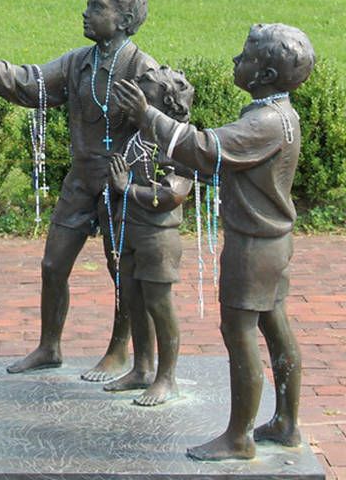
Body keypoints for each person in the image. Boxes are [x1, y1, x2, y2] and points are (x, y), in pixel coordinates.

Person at [115, 23, 315, 460]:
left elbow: (207, 148)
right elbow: (223, 161)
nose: (234, 61)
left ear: (262, 76)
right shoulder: (279, 113)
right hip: (272, 244)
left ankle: (239, 437)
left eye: (244, 56)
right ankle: (285, 423)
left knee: (239, 332)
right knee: (275, 327)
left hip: (253, 246)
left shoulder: (263, 122)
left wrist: (148, 114)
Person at [0, 0, 156, 379]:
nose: (86, 12)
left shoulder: (142, 70)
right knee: (53, 264)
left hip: (120, 184)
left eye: (98, 7)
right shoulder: (79, 62)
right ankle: (49, 346)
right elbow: (34, 82)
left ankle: (119, 350)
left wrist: (138, 162)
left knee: (122, 272)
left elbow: (162, 129)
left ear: (126, 20)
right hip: (81, 180)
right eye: (89, 4)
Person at [103, 66, 194, 406]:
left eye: (143, 95)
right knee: (132, 298)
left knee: (158, 302)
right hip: (128, 229)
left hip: (158, 235)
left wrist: (128, 189)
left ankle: (166, 377)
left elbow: (173, 194)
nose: (132, 99)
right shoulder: (132, 136)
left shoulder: (178, 141)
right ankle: (142, 367)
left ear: (166, 105)